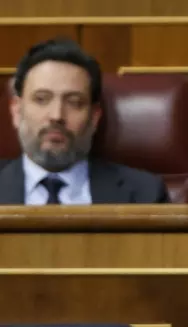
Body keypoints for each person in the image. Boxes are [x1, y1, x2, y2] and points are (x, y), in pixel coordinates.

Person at [0, 38, 170, 205]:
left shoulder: (145, 195)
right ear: (16, 111)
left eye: (74, 102)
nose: (57, 115)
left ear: (94, 117)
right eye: (42, 99)